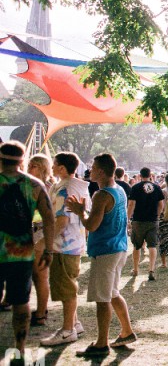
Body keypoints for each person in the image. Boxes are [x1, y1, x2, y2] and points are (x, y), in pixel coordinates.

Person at [66, 153, 136, 357]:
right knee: (113, 293)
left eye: (94, 167)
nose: (90, 170)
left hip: (106, 250)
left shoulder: (101, 195)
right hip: (119, 248)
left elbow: (92, 225)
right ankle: (127, 332)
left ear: (102, 172)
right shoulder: (119, 190)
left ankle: (101, 344)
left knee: (103, 299)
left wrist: (80, 211)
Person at [0, 141, 55, 365]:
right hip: (22, 253)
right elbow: (49, 219)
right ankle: (19, 349)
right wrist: (49, 249)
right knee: (21, 302)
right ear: (22, 160)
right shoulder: (34, 185)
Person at [40, 152, 89, 346]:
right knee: (68, 286)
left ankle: (68, 330)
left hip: (64, 246)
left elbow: (61, 221)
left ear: (61, 168)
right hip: (73, 244)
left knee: (66, 289)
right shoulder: (74, 185)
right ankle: (74, 323)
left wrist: (44, 242)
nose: (51, 167)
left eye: (54, 164)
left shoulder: (65, 189)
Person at [26, 154, 54, 328]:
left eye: (34, 165)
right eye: (29, 165)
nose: (30, 168)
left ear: (43, 168)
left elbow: (49, 216)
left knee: (40, 274)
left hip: (42, 233)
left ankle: (42, 312)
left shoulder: (48, 186)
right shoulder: (28, 184)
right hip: (32, 232)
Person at [128, 167, 165, 281]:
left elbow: (131, 204)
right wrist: (157, 215)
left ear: (140, 175)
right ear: (150, 175)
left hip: (138, 220)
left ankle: (135, 269)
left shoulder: (135, 187)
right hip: (152, 220)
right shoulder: (157, 187)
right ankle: (151, 270)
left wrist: (128, 218)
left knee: (137, 246)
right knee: (152, 246)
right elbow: (161, 204)